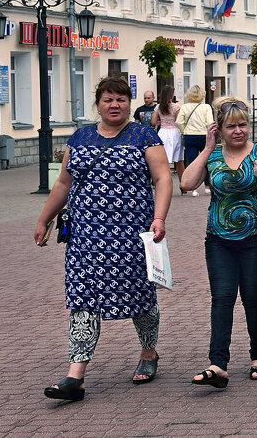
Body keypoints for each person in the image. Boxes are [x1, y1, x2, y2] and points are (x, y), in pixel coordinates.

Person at [34, 77, 173, 402]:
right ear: (98, 103)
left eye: (121, 100)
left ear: (128, 103)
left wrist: (159, 217)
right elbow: (64, 183)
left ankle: (149, 352)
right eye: (109, 99)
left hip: (132, 237)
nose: (115, 105)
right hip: (86, 240)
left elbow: (163, 177)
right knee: (82, 299)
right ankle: (75, 376)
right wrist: (44, 218)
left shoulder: (143, 136)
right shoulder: (80, 137)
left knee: (140, 297)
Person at [181, 97, 257, 389]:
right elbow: (186, 183)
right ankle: (218, 364)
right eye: (231, 126)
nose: (238, 130)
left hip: (254, 239)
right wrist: (206, 148)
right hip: (218, 240)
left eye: (243, 124)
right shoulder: (213, 155)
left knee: (253, 297)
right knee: (222, 298)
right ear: (220, 128)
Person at [179, 86, 216, 188]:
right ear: (202, 95)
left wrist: (183, 130)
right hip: (203, 136)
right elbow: (210, 123)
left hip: (189, 136)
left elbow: (179, 122)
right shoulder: (206, 107)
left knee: (192, 161)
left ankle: (193, 187)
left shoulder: (184, 107)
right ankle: (207, 186)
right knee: (206, 161)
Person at [151, 84, 186, 192]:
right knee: (179, 160)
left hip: (163, 133)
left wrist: (161, 122)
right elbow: (178, 121)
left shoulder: (158, 107)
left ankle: (163, 185)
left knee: (163, 160)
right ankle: (183, 186)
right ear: (172, 94)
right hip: (174, 132)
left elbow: (153, 122)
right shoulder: (176, 107)